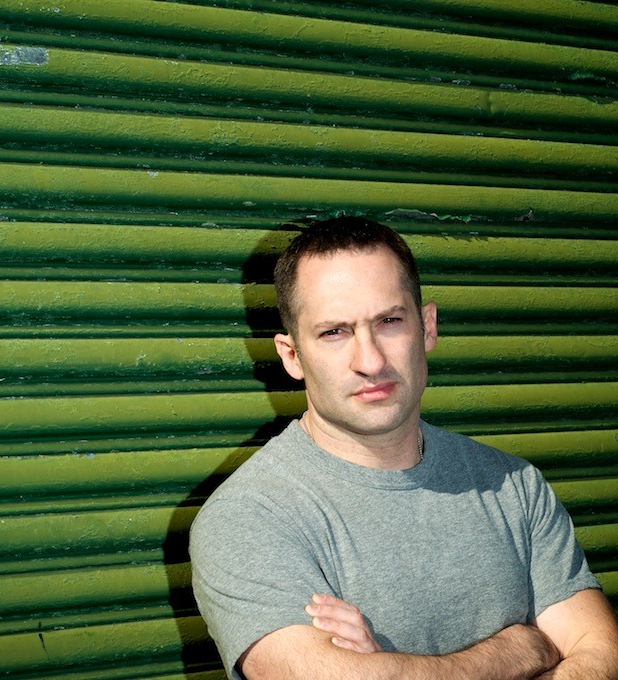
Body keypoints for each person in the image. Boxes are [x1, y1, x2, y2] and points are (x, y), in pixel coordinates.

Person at [189, 216, 618, 679]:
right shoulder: (248, 517)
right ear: (292, 355)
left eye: (389, 321)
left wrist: (394, 668)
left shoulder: (513, 486)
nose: (370, 361)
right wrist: (520, 648)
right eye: (334, 332)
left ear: (427, 326)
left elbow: (602, 653)